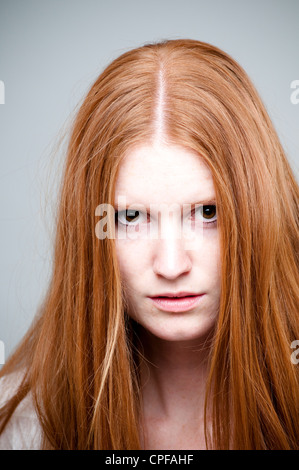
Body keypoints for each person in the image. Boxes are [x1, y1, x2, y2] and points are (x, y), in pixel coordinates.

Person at [0, 38, 298, 450]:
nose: (172, 265)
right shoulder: (23, 427)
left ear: (258, 210)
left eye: (208, 212)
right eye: (131, 217)